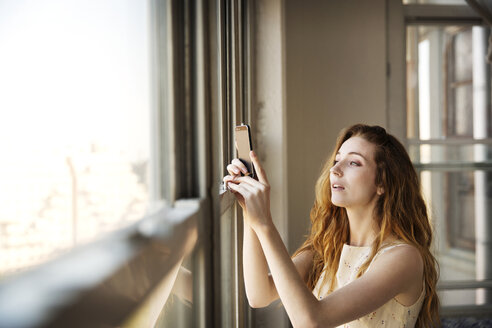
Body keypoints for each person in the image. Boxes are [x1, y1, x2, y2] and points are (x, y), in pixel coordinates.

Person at [223, 124, 440, 328]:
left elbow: (311, 321)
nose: (335, 169)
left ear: (383, 182)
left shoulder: (403, 257)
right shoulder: (327, 248)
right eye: (337, 160)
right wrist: (249, 210)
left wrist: (265, 224)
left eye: (354, 162)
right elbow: (259, 294)